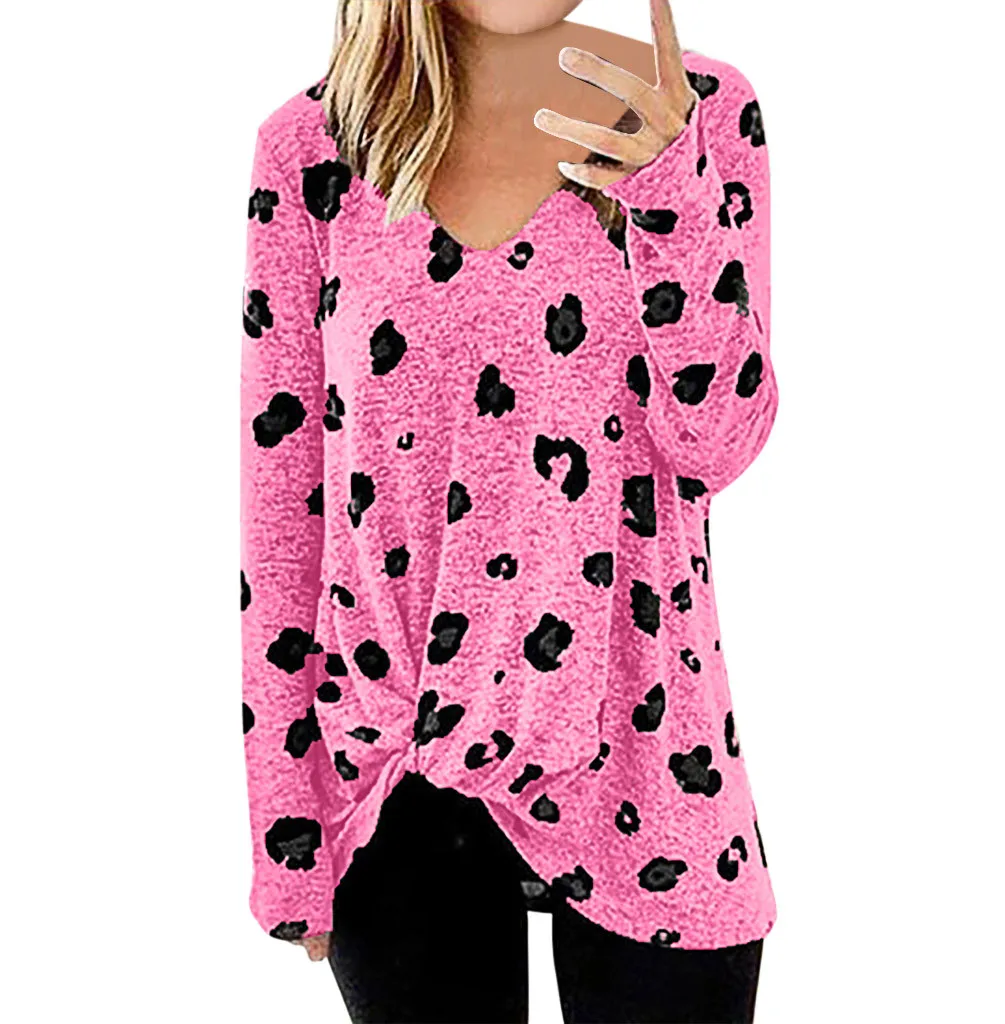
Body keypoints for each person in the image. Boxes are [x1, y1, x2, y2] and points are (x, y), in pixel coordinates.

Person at [240, 0, 779, 1020]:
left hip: (648, 752)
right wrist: (287, 830)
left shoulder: (698, 111)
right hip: (395, 769)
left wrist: (669, 190)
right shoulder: (311, 151)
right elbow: (282, 510)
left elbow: (720, 441)